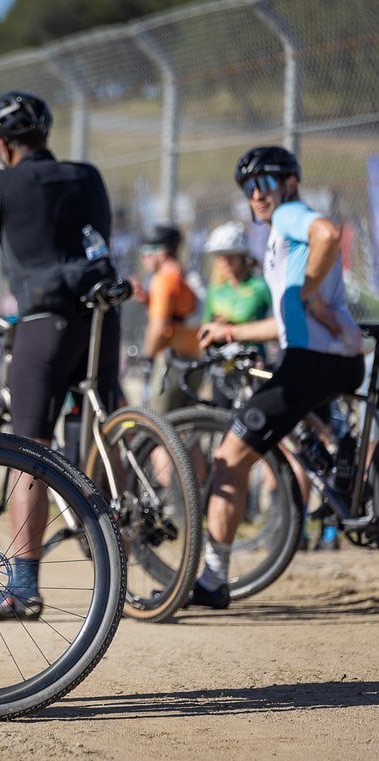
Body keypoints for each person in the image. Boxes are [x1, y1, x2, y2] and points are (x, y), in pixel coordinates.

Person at [0, 90, 119, 620]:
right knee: (106, 425)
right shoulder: (88, 176)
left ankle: (23, 584)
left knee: (28, 449)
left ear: (1, 145)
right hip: (102, 314)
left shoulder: (2, 183)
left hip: (43, 320)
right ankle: (132, 541)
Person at [192, 145, 364, 608]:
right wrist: (233, 330)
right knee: (330, 448)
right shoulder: (276, 238)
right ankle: (347, 477)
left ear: (288, 181)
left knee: (231, 454)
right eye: (247, 187)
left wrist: (304, 291)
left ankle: (212, 581)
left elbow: (329, 234)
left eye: (264, 181)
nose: (255, 193)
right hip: (327, 355)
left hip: (312, 360)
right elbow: (287, 319)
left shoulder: (291, 215)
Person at [199, 220, 272, 407]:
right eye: (220, 257)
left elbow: (276, 322)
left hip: (253, 364)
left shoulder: (259, 287)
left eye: (230, 256)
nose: (225, 262)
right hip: (222, 367)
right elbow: (205, 325)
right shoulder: (215, 290)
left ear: (242, 256)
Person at [130, 224, 200, 413]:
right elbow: (180, 315)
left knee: (160, 428)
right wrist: (148, 300)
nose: (143, 259)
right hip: (195, 360)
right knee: (188, 427)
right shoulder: (184, 275)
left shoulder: (162, 280)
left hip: (171, 362)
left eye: (145, 253)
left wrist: (148, 356)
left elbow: (159, 327)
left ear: (160, 253)